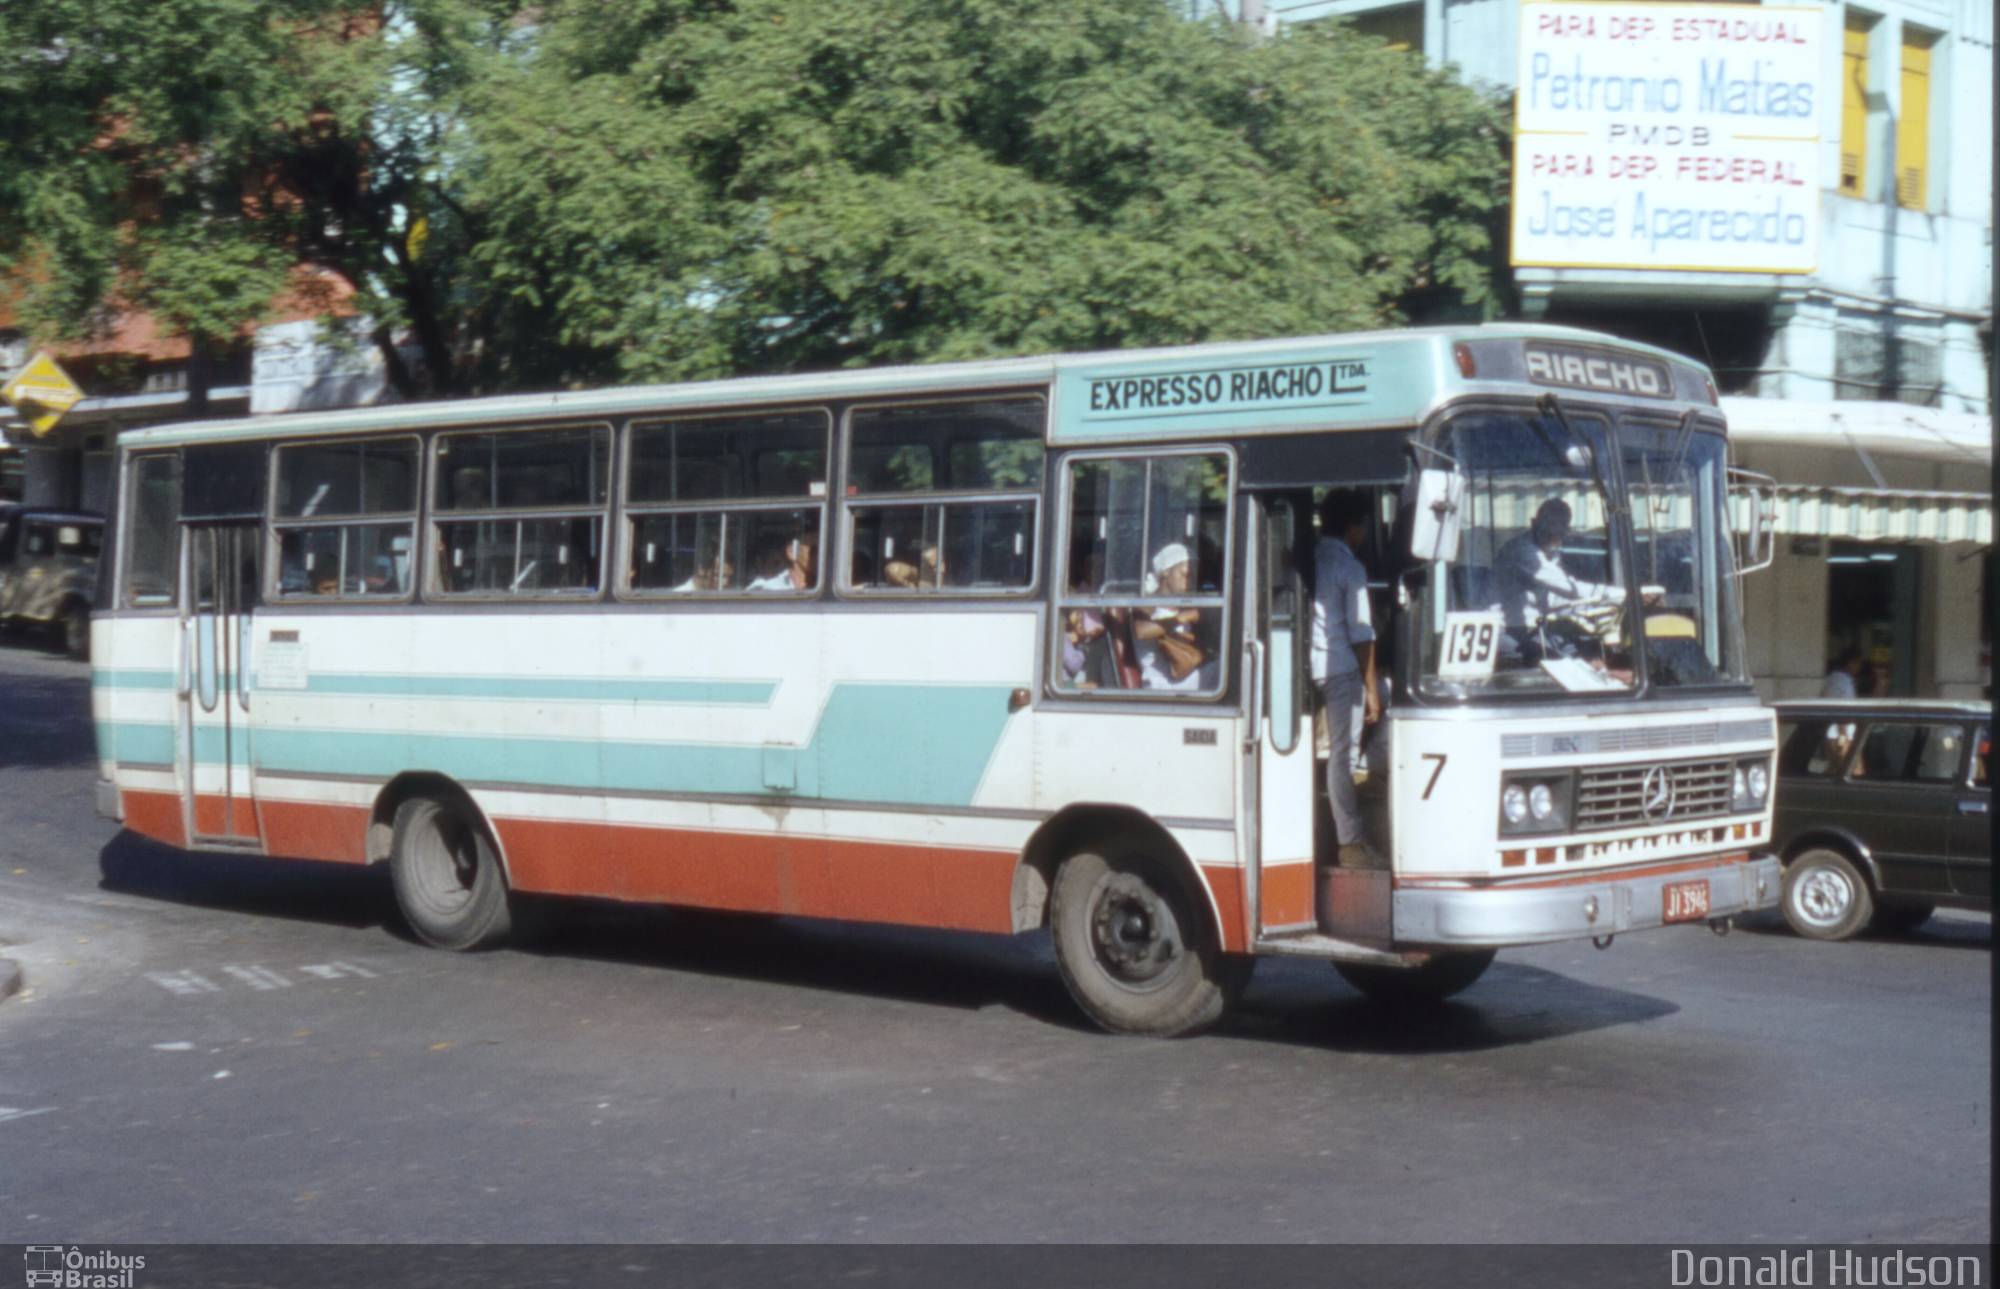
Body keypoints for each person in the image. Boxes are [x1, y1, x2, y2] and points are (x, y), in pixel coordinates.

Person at [1310, 490, 1380, 868]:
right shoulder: (1351, 569)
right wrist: (1371, 691)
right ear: (1353, 528)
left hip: (1308, 670)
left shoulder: (1309, 558)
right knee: (1344, 756)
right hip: (1340, 671)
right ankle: (1351, 841)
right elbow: (1363, 634)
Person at [1494, 498, 1636, 662]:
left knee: (1590, 653)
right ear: (1534, 523)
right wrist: (1624, 594)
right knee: (1561, 663)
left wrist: (1583, 614)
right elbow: (1567, 588)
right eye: (1549, 527)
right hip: (1508, 630)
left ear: (1566, 530)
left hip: (1538, 628)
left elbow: (1555, 598)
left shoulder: (1550, 553)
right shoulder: (1522, 551)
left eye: (1560, 529)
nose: (1554, 534)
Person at [1132, 543, 1214, 691]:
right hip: (1162, 683)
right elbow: (1141, 631)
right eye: (1184, 575)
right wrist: (1181, 619)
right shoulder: (1148, 603)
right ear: (1166, 573)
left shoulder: (1180, 605)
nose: (1189, 581)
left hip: (1186, 679)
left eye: (1192, 576)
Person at [748, 536, 815, 591]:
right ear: (791, 552)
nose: (821, 556)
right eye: (814, 550)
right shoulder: (766, 588)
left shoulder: (821, 585)